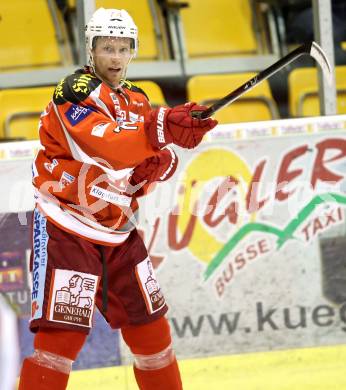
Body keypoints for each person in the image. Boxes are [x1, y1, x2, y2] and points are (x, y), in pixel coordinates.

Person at [18, 7, 217, 390]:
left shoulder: (138, 99)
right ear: (90, 49)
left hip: (120, 233)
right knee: (58, 345)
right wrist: (162, 129)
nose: (115, 57)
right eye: (106, 47)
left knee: (153, 337)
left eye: (123, 48)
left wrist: (162, 156)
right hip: (68, 229)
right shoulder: (72, 91)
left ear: (133, 52)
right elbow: (106, 145)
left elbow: (155, 160)